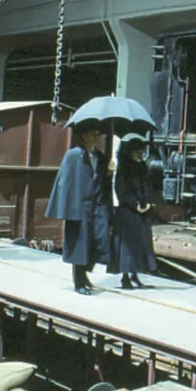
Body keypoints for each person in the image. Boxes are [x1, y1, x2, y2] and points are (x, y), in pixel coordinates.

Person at [46, 124, 112, 295]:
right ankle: (79, 281)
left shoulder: (101, 157)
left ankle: (85, 274)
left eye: (98, 134)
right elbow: (64, 182)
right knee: (80, 245)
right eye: (92, 134)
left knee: (98, 241)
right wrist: (65, 208)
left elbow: (102, 183)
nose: (96, 138)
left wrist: (110, 173)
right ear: (84, 136)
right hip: (79, 206)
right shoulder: (74, 155)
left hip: (96, 205)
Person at [109, 134, 157, 289]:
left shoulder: (142, 167)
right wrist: (134, 204)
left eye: (142, 152)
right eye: (137, 152)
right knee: (127, 247)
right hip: (128, 212)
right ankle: (125, 277)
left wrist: (147, 202)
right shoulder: (124, 168)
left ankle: (135, 275)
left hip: (141, 212)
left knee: (140, 246)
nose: (140, 155)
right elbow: (121, 191)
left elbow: (148, 187)